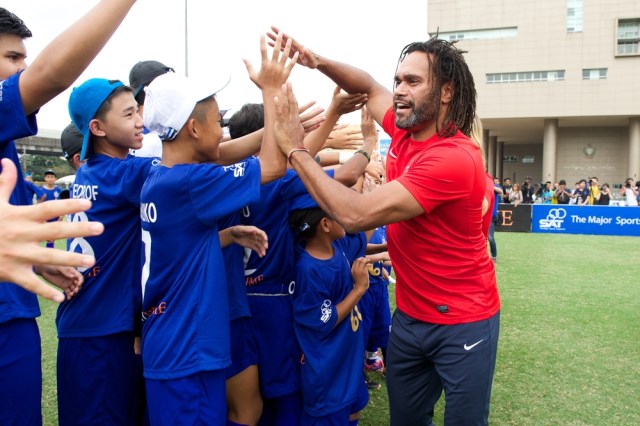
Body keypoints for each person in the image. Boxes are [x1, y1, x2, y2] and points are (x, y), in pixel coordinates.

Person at [267, 28, 500, 426]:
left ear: (445, 92)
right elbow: (369, 85)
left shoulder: (453, 157)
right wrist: (317, 61)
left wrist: (295, 148)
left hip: (464, 319)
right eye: (399, 80)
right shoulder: (405, 129)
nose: (399, 90)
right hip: (410, 315)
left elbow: (355, 215)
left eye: (413, 81)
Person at [139, 34, 296, 425]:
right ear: (193, 128)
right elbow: (273, 168)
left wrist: (224, 236)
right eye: (217, 120)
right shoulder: (189, 183)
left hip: (172, 344)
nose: (223, 128)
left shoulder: (161, 176)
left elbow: (178, 248)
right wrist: (272, 92)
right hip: (186, 351)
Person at [0, 3, 134, 424]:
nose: (23, 68)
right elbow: (51, 75)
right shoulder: (117, 171)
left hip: (17, 310)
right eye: (12, 58)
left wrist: (38, 257)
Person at [57, 77, 151, 425]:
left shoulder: (94, 171)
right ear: (97, 127)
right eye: (129, 114)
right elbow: (201, 160)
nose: (140, 120)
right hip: (99, 333)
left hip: (89, 326)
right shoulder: (121, 174)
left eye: (138, 110)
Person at [289, 207, 370, 424]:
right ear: (325, 225)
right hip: (327, 371)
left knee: (353, 411)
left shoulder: (337, 245)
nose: (347, 217)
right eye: (340, 213)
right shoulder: (307, 269)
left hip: (348, 360)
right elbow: (325, 320)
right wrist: (358, 289)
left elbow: (364, 220)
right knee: (333, 415)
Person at [41, 169, 63, 247]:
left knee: (52, 238)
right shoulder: (41, 191)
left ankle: (49, 255)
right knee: (48, 238)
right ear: (45, 178)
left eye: (52, 177)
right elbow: (39, 206)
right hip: (45, 218)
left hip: (55, 218)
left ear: (55, 179)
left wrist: (61, 217)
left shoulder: (59, 190)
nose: (50, 179)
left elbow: (62, 204)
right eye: (48, 177)